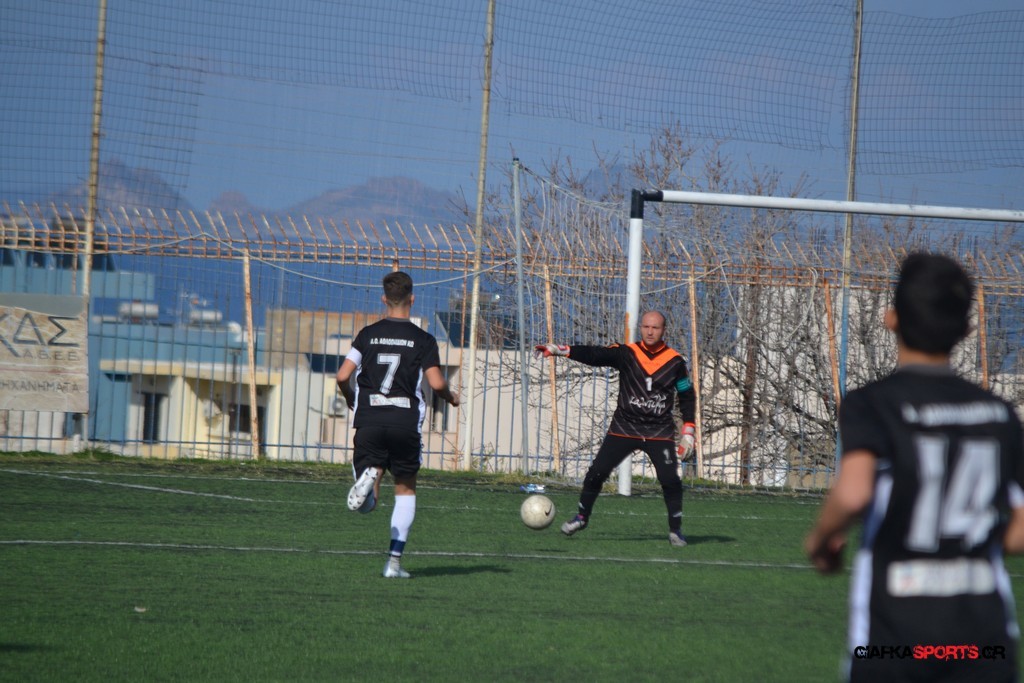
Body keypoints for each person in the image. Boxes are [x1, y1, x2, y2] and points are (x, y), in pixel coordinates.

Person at [805, 252, 1024, 682]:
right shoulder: (999, 414)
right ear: (966, 329)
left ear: (891, 319)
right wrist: (971, 539)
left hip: (895, 633)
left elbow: (854, 493)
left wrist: (822, 538)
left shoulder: (873, 403)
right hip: (984, 636)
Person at [535, 310, 697, 546]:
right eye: (646, 327)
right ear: (641, 328)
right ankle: (581, 517)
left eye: (655, 328)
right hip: (624, 427)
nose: (650, 331)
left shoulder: (676, 362)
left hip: (658, 431)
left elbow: (686, 395)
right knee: (596, 473)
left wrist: (688, 432)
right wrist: (561, 350)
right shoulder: (627, 353)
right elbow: (595, 354)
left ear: (664, 330)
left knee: (670, 480)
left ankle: (675, 531)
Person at [337, 271, 460, 579]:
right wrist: (451, 397)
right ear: (412, 299)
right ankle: (393, 564)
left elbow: (342, 375)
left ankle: (370, 479)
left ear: (384, 299)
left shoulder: (367, 335)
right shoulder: (423, 340)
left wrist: (350, 395)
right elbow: (436, 383)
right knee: (405, 490)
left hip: (369, 419)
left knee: (369, 502)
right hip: (405, 423)